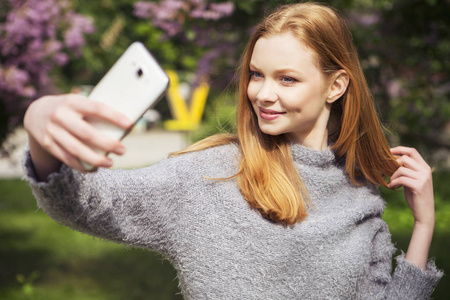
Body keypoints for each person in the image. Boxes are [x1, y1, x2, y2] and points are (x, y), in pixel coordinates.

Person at [23, 2, 442, 299]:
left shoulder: (359, 196)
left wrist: (423, 225)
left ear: (336, 86)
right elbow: (83, 203)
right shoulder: (212, 176)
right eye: (257, 75)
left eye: (287, 79)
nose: (262, 93)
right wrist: (39, 122)